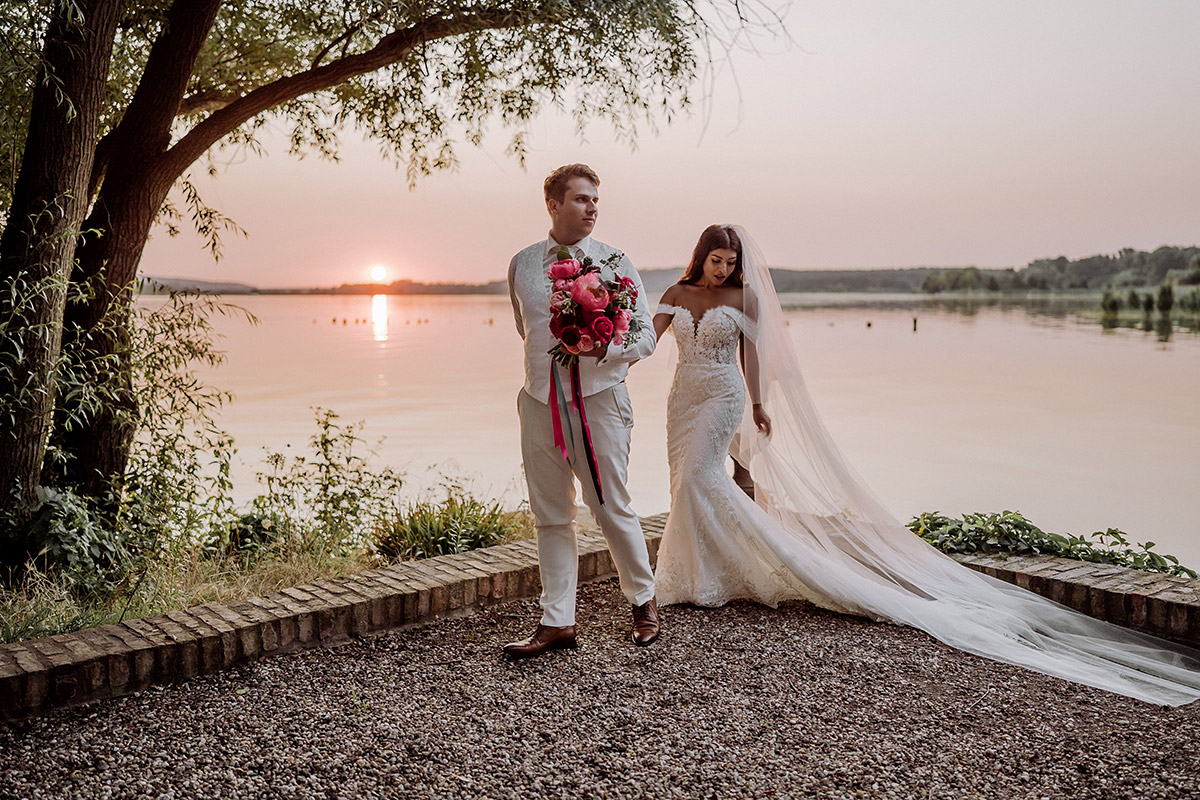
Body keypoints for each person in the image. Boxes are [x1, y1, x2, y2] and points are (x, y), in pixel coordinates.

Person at [651, 224, 1200, 706]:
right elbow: (642, 343)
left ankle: (760, 561)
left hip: (723, 397)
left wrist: (759, 405)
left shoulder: (745, 298)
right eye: (716, 261)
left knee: (702, 477)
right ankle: (704, 574)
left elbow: (752, 358)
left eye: (730, 262)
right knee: (686, 484)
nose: (723, 269)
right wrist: (596, 334)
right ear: (699, 256)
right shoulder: (675, 292)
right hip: (681, 400)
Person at [503, 163, 660, 658]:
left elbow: (645, 335)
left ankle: (643, 602)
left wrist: (602, 350)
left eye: (595, 199)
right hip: (538, 403)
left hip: (599, 402)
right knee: (549, 515)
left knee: (610, 504)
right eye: (581, 199)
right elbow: (525, 329)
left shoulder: (615, 261)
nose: (592, 207)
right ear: (553, 205)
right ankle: (557, 622)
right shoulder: (522, 264)